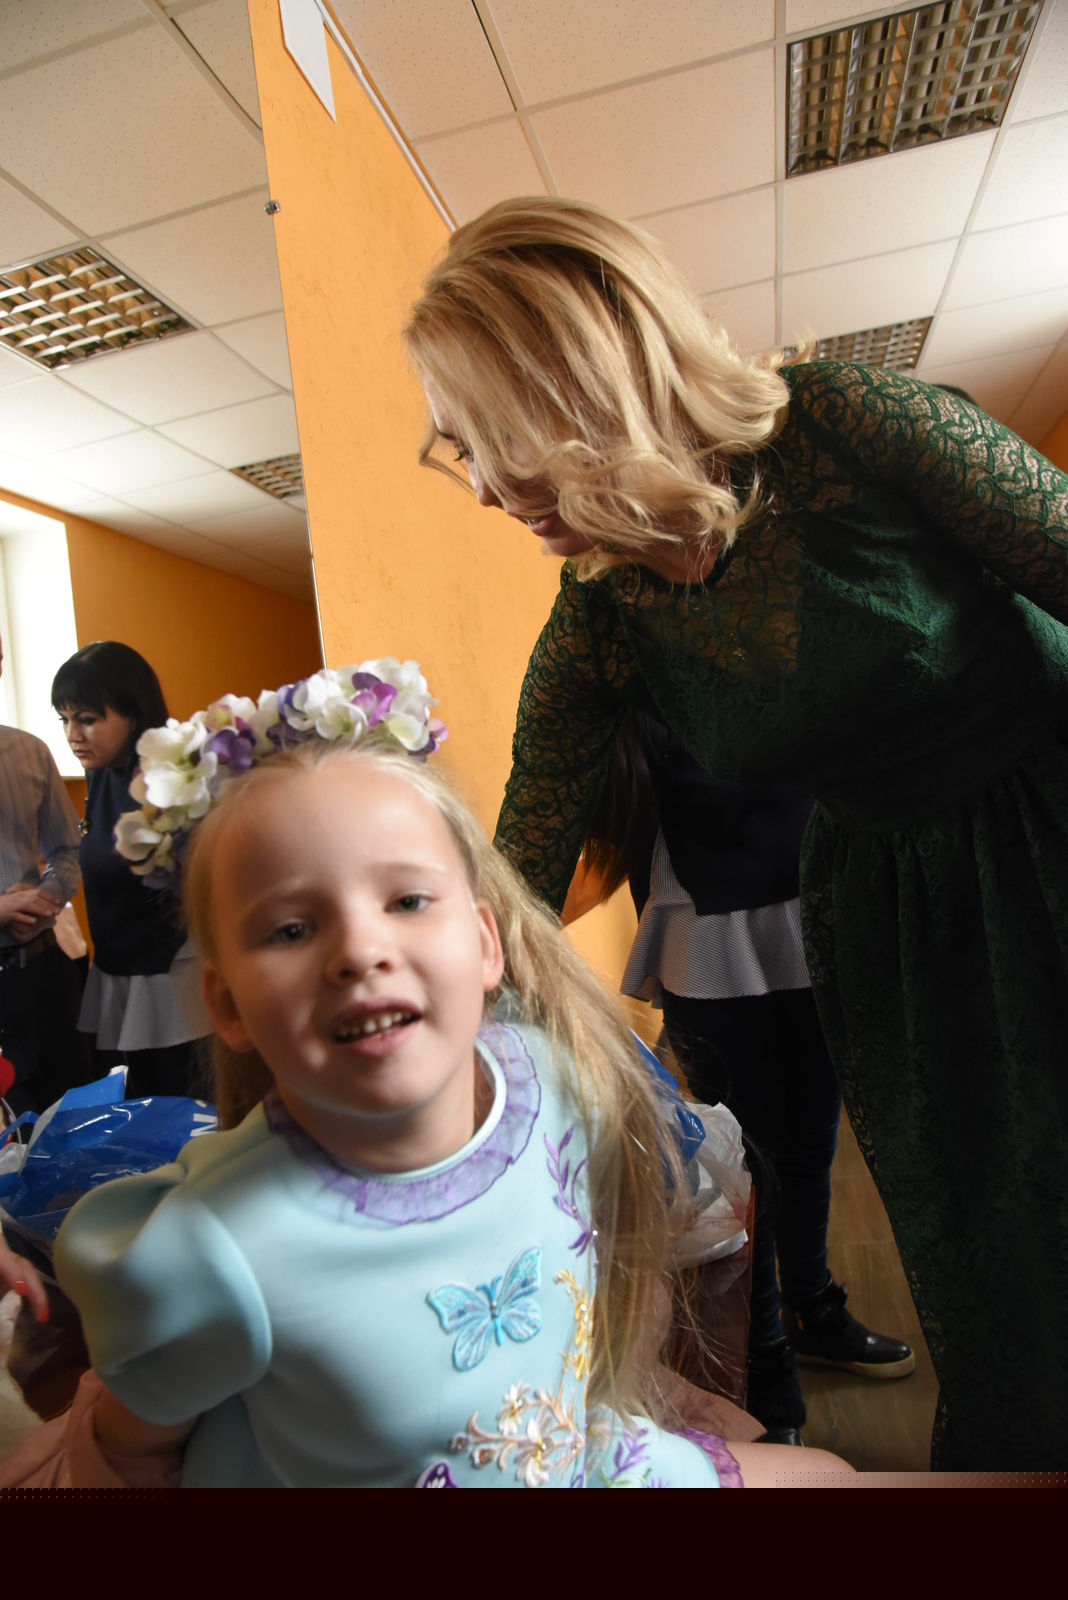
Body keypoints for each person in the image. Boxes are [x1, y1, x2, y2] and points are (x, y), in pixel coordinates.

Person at [404, 196, 1068, 1469]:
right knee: (996, 1246)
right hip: (903, 926)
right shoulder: (604, 615)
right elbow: (510, 888)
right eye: (459, 450)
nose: (480, 488)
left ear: (580, 383)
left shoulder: (850, 424)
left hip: (1047, 818)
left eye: (490, 439)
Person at [0, 663, 848, 1488]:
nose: (360, 950)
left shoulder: (553, 1076)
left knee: (837, 1474)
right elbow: (128, 1458)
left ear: (484, 943)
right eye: (291, 929)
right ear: (226, 1004)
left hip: (580, 1458)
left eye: (406, 901)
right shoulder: (207, 1252)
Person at [575, 710, 913, 1442]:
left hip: (813, 882)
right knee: (748, 1155)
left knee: (812, 1133)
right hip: (707, 915)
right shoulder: (630, 658)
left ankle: (813, 1305)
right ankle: (764, 1359)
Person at [51, 642, 210, 1100]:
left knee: (187, 1107)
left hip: (172, 980)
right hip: (123, 967)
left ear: (134, 713)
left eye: (86, 719)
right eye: (64, 720)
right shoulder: (103, 772)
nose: (72, 735)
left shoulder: (174, 776)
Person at [0, 633, 89, 1114]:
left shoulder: (31, 752)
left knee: (70, 1114)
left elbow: (67, 849)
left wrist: (44, 897)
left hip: (42, 971)